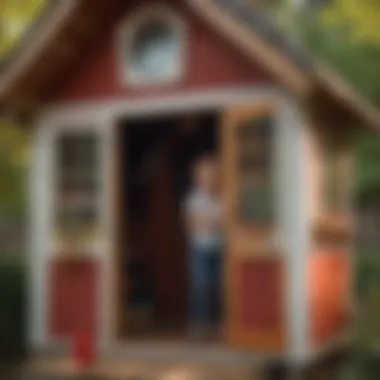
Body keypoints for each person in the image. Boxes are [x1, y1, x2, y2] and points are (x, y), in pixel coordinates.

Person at [183, 154, 224, 337]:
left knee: (220, 285)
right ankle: (200, 324)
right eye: (204, 175)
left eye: (212, 174)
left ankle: (221, 323)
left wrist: (209, 221)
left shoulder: (222, 197)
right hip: (199, 248)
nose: (208, 178)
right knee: (200, 286)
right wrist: (215, 221)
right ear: (197, 178)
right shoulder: (192, 199)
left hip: (220, 247)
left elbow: (229, 222)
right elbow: (193, 224)